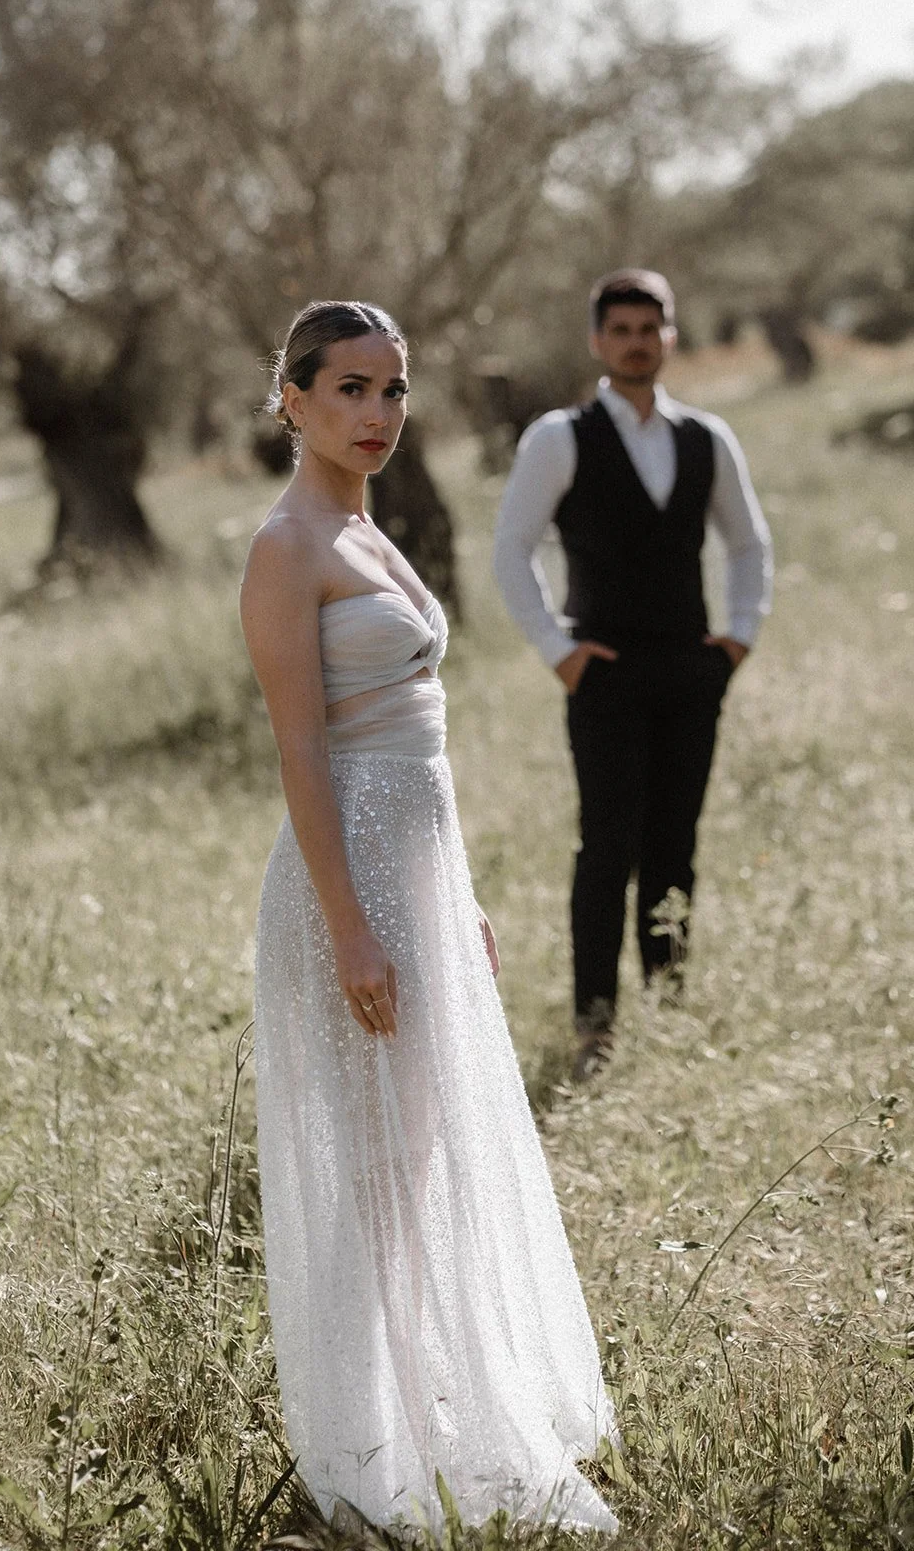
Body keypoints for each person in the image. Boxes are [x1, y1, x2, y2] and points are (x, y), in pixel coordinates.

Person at [239, 299, 617, 1535]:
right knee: (378, 1171)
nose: (376, 414)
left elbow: (418, 742)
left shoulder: (372, 529)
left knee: (423, 1158)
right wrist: (351, 924)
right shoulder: (287, 545)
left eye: (392, 391)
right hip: (345, 881)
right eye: (348, 388)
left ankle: (422, 1404)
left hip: (419, 876)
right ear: (290, 397)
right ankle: (357, 1453)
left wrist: (461, 901)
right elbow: (305, 756)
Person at [493, 269, 772, 1079]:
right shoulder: (560, 436)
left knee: (675, 842)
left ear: (669, 338)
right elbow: (511, 548)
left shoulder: (705, 438)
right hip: (603, 673)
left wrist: (738, 637)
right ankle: (594, 1025)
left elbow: (748, 543)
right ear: (596, 340)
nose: (635, 342)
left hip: (691, 669)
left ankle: (669, 1007)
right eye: (619, 329)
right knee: (605, 847)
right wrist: (558, 650)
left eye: (649, 329)